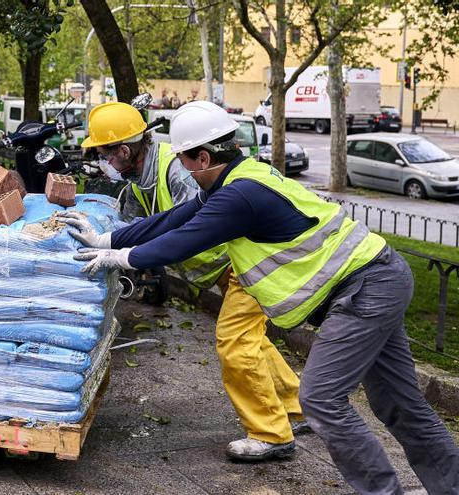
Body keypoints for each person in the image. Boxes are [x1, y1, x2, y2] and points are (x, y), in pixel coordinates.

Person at [70, 100, 459, 493]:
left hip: (364, 289)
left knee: (322, 399)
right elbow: (174, 219)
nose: (184, 167)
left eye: (186, 160)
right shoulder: (236, 179)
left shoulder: (238, 197)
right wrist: (108, 239)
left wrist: (118, 258)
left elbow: (178, 243)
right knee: (399, 405)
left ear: (203, 157)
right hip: (378, 278)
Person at [62, 102, 308, 462]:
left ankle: (271, 434)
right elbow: (159, 222)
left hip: (246, 264)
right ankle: (299, 409)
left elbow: (187, 232)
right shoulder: (140, 180)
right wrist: (107, 240)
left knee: (236, 343)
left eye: (104, 155)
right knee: (252, 342)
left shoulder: (181, 171)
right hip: (234, 265)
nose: (103, 164)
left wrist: (121, 256)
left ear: (124, 151)